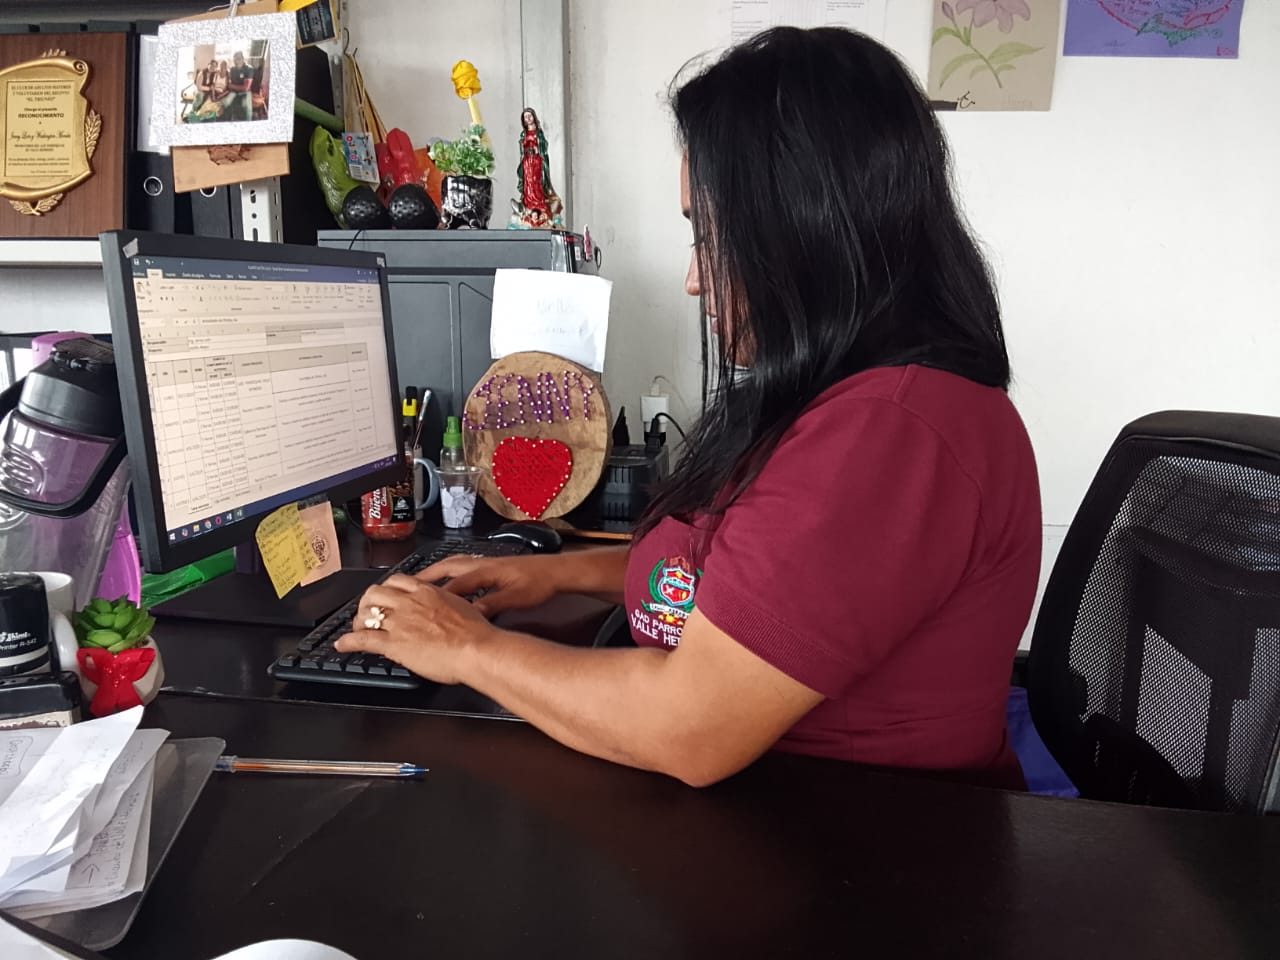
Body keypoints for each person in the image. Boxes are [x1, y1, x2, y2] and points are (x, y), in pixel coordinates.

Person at [336, 27, 1042, 790]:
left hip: (851, 840)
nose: (694, 280)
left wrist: (465, 647)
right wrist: (557, 576)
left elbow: (690, 727)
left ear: (803, 230)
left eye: (709, 237)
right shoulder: (858, 396)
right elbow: (735, 569)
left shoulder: (890, 433)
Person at [225, 51, 255, 121]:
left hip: (246, 92)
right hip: (234, 92)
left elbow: (246, 88)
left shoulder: (249, 69)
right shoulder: (232, 69)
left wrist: (233, 86)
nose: (236, 61)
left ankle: (249, 122)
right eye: (235, 59)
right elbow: (229, 83)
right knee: (226, 102)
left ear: (243, 58)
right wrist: (232, 86)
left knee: (247, 108)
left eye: (238, 58)